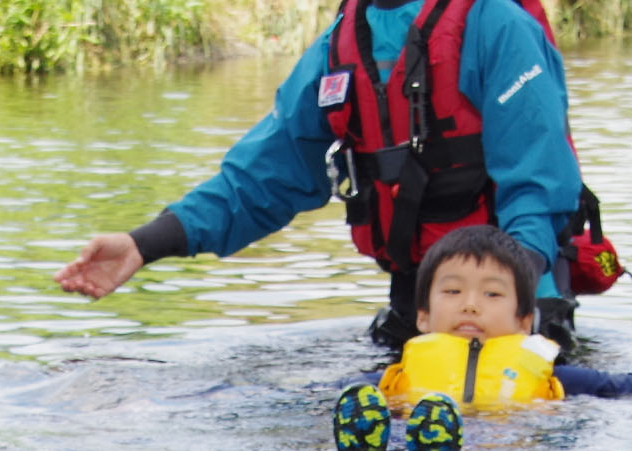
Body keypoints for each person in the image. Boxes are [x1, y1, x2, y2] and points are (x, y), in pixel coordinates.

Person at [55, 0, 594, 350]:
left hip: (519, 302)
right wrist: (143, 244)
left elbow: (538, 184)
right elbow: (259, 181)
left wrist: (510, 310)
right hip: (424, 308)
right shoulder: (337, 48)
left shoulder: (497, 27)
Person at [332, 225, 632, 451]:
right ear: (423, 317)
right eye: (453, 292)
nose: (470, 306)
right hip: (411, 436)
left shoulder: (551, 375)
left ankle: (416, 450)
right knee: (367, 406)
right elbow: (301, 398)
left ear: (524, 321)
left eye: (491, 294)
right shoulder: (393, 378)